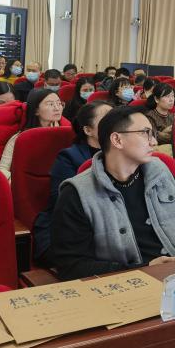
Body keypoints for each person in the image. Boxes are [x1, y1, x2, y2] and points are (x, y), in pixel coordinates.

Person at [51, 106, 175, 280]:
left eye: (153, 134)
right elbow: (71, 265)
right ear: (117, 140)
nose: (154, 142)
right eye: (145, 133)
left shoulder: (160, 171)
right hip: (125, 284)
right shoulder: (77, 193)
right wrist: (143, 269)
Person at [33, 101, 112, 265]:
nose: (116, 122)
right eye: (108, 118)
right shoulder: (69, 158)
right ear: (88, 130)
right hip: (68, 230)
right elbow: (62, 202)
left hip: (110, 228)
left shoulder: (122, 153)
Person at [0, 89, 63, 180]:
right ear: (36, 111)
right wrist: (17, 182)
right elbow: (2, 169)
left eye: (59, 103)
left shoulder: (65, 135)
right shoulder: (21, 138)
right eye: (50, 104)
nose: (57, 108)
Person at [144, 83, 175, 153]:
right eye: (167, 96)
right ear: (156, 99)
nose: (171, 99)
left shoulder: (174, 116)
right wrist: (165, 132)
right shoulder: (149, 116)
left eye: (173, 96)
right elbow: (152, 138)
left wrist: (162, 133)